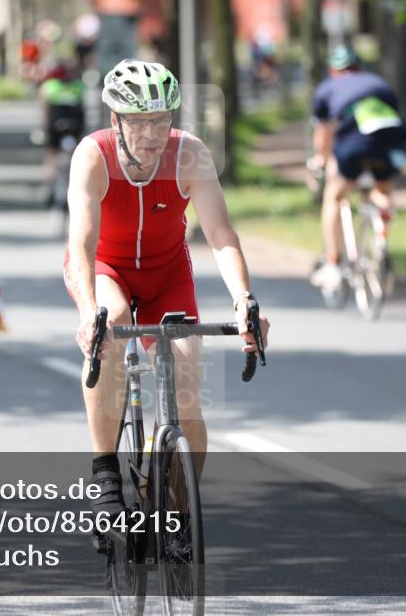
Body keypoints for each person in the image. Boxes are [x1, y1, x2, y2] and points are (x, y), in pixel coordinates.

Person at [64, 59, 271, 521]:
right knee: (112, 322)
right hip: (105, 268)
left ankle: (173, 513)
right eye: (139, 122)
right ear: (116, 120)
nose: (152, 134)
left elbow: (220, 234)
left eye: (161, 120)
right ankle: (104, 473)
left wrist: (243, 300)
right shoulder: (93, 155)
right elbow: (81, 243)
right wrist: (89, 312)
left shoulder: (190, 154)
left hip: (167, 274)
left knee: (187, 387)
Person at [308, 45, 406, 294]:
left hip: (354, 144)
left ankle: (333, 262)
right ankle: (381, 242)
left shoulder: (327, 88)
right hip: (389, 144)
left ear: (333, 70)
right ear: (359, 67)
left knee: (334, 197)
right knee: (382, 191)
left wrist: (320, 159)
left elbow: (323, 133)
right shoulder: (380, 84)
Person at [39, 61, 86, 207]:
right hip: (75, 126)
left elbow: (45, 110)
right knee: (75, 156)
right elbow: (83, 108)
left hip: (55, 125)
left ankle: (49, 188)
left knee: (52, 155)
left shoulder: (49, 86)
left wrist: (45, 128)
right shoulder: (78, 85)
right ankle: (77, 187)